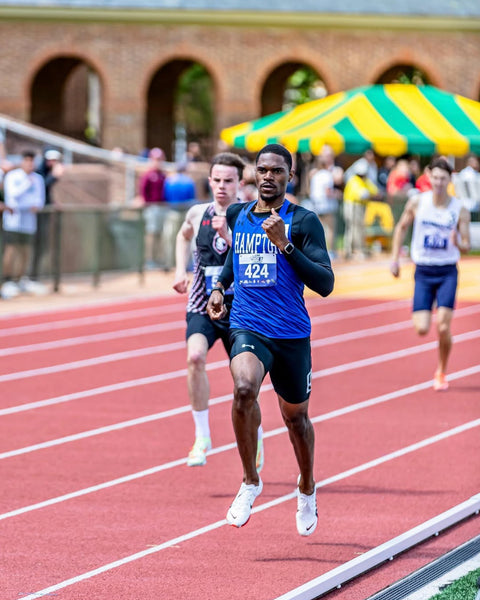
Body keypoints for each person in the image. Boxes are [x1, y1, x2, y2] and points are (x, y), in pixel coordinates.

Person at [207, 143, 334, 536]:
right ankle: (250, 481)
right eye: (262, 170)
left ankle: (307, 486)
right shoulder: (238, 214)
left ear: (289, 177)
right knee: (243, 389)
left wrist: (285, 244)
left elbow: (325, 283)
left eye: (276, 171)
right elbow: (234, 259)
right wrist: (219, 287)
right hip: (248, 325)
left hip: (292, 334)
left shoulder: (303, 221)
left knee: (296, 420)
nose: (267, 177)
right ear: (253, 175)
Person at [173, 151, 264, 469]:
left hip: (241, 308)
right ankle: (202, 437)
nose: (222, 186)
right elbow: (182, 236)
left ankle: (257, 434)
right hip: (202, 304)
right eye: (217, 180)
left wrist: (230, 235)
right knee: (194, 357)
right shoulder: (198, 213)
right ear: (209, 181)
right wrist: (179, 271)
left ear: (241, 183)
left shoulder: (251, 215)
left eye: (229, 181)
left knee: (246, 382)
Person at [390, 157, 471, 391]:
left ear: (449, 180)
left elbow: (466, 244)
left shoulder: (459, 209)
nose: (438, 182)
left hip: (447, 271)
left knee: (444, 327)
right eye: (435, 178)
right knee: (422, 328)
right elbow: (401, 227)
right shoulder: (417, 202)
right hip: (423, 271)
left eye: (443, 179)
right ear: (429, 176)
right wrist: (395, 259)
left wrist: (460, 241)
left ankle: (441, 371)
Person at [1, 150, 46, 299]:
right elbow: (13, 196)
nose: (29, 164)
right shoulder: (13, 177)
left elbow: (39, 200)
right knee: (11, 249)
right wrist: (27, 184)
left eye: (32, 161)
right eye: (27, 160)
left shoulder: (38, 179)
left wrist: (35, 206)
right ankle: (7, 280)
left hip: (29, 222)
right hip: (13, 221)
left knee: (25, 251)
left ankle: (20, 279)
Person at [31, 148, 65, 281]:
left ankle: (36, 276)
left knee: (42, 247)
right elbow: (41, 188)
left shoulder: (49, 172)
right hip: (33, 219)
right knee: (33, 246)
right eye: (50, 159)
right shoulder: (39, 173)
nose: (53, 162)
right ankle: (30, 276)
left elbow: (46, 194)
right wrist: (54, 177)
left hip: (43, 216)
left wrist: (53, 202)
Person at [342, 157, 381, 259]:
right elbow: (363, 194)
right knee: (353, 229)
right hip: (352, 206)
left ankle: (357, 249)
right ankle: (352, 251)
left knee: (359, 229)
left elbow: (375, 191)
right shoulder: (354, 181)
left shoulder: (364, 180)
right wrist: (371, 195)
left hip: (360, 206)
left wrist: (372, 194)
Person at [139, 147, 167, 269]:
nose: (158, 161)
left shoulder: (163, 175)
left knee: (161, 234)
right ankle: (149, 260)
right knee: (151, 234)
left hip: (162, 208)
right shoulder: (148, 175)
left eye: (160, 159)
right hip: (151, 208)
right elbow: (143, 192)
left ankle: (159, 259)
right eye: (156, 159)